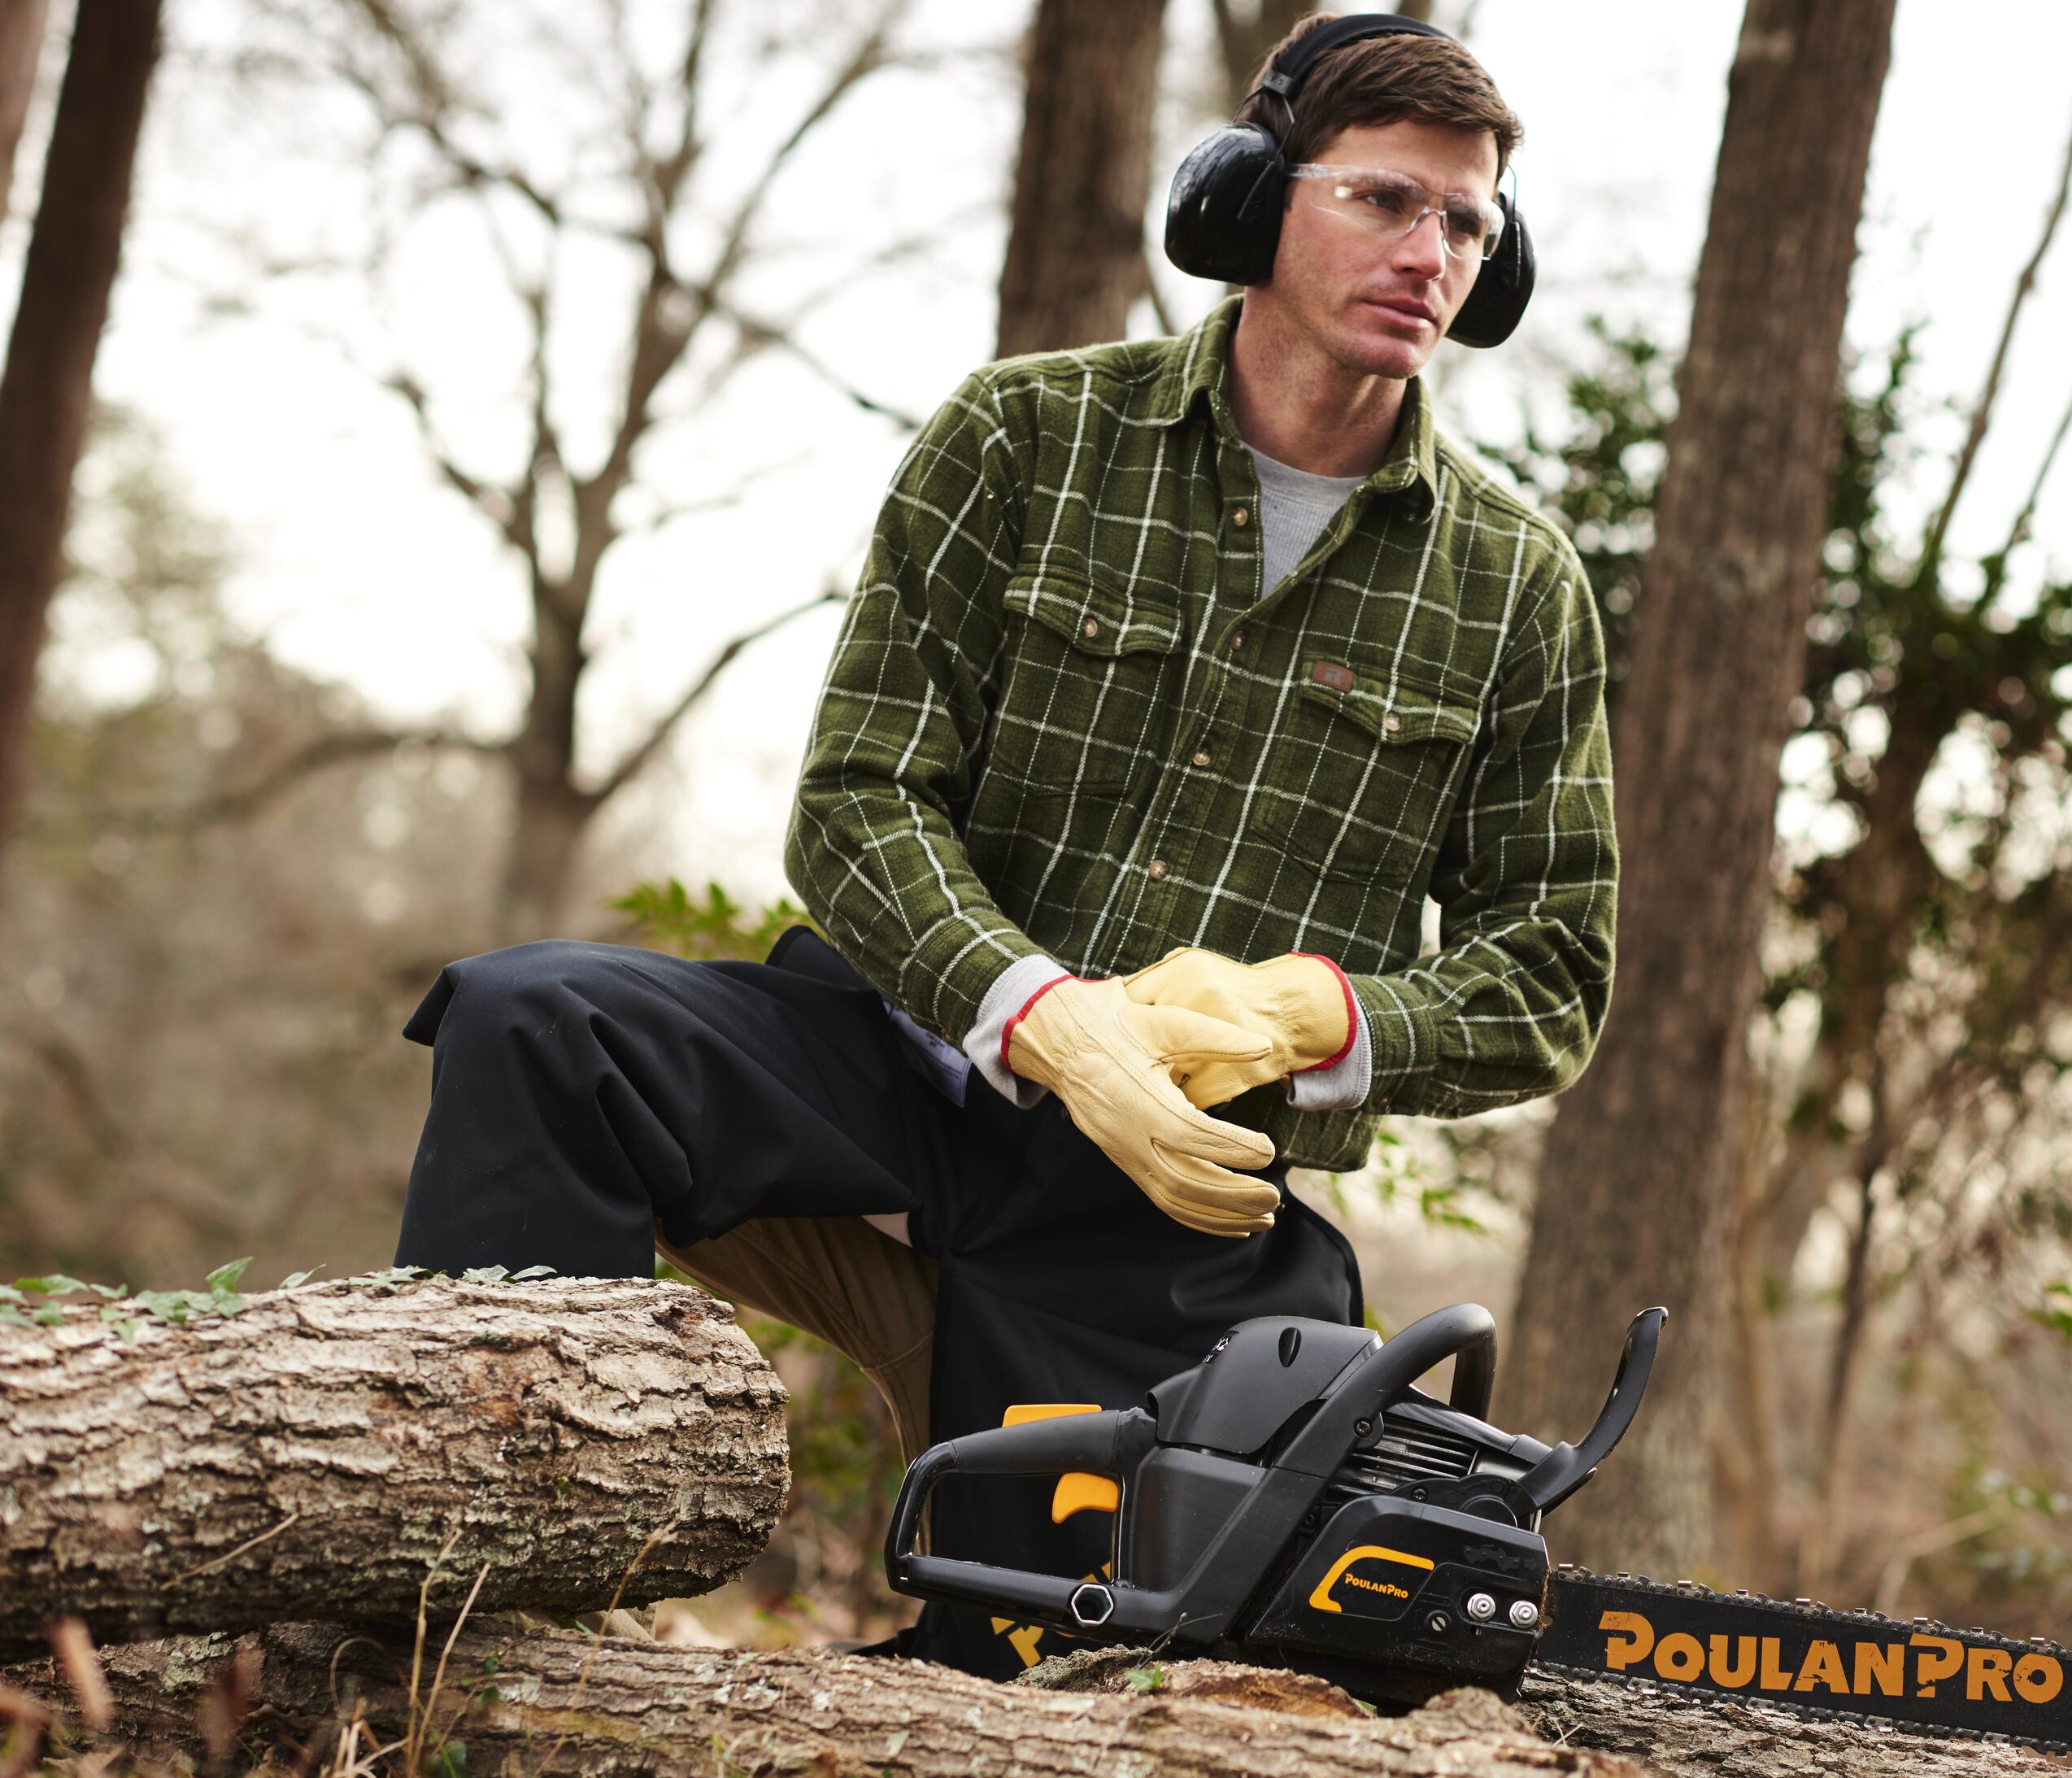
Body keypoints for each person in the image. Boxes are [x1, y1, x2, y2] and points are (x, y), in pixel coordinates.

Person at [389, 12, 1615, 1676]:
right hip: (900, 1071)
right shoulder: (1026, 439)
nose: (1430, 252)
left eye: (1466, 223)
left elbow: (1548, 972)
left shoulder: (1514, 586)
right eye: (1384, 200)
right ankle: (474, 1612)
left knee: (1053, 1659)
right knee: (540, 1022)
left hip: (1171, 1211)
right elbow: (856, 798)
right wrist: (1034, 1008)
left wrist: (1312, 1018)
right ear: (1253, 208)